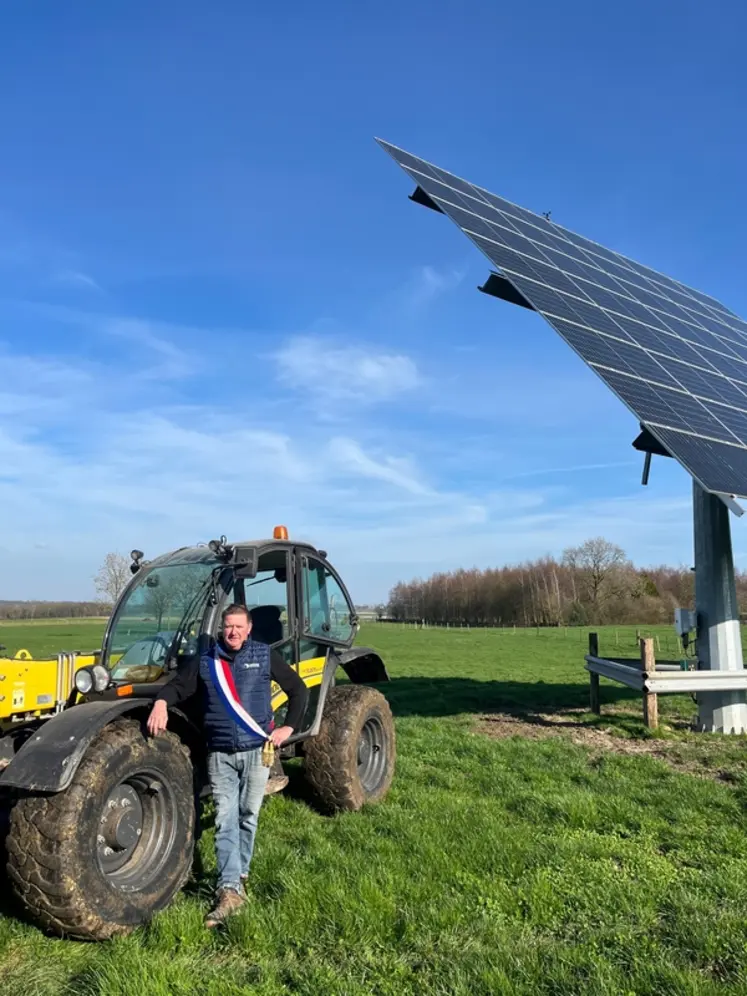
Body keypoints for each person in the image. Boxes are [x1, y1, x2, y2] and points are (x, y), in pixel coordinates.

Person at [146, 603, 308, 928]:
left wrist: (288, 728)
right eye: (228, 627)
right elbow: (177, 686)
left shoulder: (264, 656)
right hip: (219, 754)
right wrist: (161, 703)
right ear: (222, 629)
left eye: (238, 627)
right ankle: (229, 889)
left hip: (257, 752)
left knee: (248, 815)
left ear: (248, 629)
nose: (232, 632)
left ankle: (240, 872)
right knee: (225, 818)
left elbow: (298, 690)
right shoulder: (206, 661)